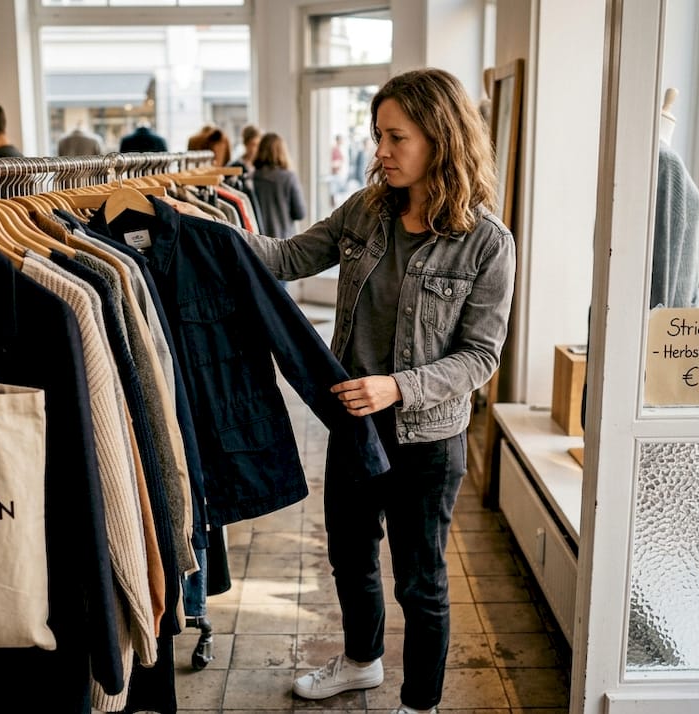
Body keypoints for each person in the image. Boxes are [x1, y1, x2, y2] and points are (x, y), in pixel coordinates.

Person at [171, 68, 515, 714]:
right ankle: (362, 662)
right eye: (377, 135)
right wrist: (201, 228)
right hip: (355, 427)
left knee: (422, 584)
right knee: (351, 556)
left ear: (440, 139)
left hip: (427, 438)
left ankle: (420, 703)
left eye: (394, 137)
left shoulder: (488, 246)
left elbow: (480, 357)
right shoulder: (365, 211)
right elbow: (283, 258)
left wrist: (397, 387)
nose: (378, 151)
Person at [250, 132, 306, 239]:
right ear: (282, 152)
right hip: (284, 243)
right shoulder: (289, 177)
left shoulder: (250, 178)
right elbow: (300, 213)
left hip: (257, 241)